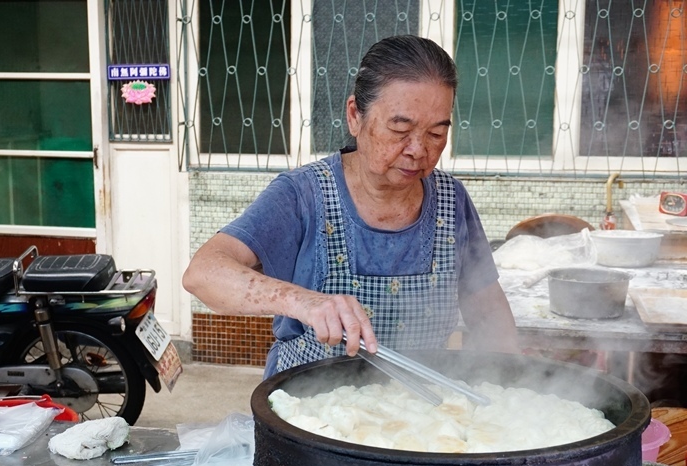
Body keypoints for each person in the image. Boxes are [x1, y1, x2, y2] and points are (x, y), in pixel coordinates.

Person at [183, 35, 519, 378]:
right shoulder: (304, 195)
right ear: (355, 116)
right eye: (400, 128)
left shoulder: (452, 201)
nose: (418, 149)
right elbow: (203, 274)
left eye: (436, 134)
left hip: (422, 411)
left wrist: (512, 386)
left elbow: (488, 310)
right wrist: (304, 302)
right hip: (312, 411)